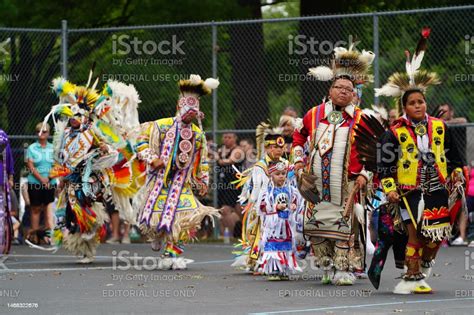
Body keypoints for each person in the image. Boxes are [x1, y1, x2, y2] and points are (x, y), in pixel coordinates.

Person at [375, 27, 465, 294]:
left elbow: (452, 155)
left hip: (436, 187)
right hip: (408, 190)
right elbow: (385, 164)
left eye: (421, 102)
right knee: (415, 232)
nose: (418, 106)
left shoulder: (439, 127)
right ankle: (411, 277)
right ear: (405, 106)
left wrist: (457, 171)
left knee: (434, 233)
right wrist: (389, 189)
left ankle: (421, 266)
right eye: (412, 103)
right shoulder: (395, 131)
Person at [293, 43, 375, 285]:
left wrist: (365, 175)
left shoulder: (362, 118)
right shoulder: (314, 114)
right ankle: (326, 266)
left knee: (344, 226)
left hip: (347, 183)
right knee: (318, 226)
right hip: (316, 181)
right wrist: (298, 163)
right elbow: (298, 138)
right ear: (330, 90)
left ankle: (342, 268)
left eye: (348, 89)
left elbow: (374, 152)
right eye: (338, 87)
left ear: (353, 94)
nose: (342, 91)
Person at [135, 74, 220, 270]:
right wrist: (152, 158)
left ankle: (171, 253)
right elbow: (140, 143)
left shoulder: (198, 134)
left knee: (187, 217)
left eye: (194, 112)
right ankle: (156, 236)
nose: (191, 115)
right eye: (188, 111)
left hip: (183, 183)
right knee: (156, 221)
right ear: (178, 106)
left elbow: (203, 160)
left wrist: (203, 180)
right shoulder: (160, 125)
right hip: (159, 182)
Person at [232, 124, 287, 273]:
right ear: (268, 148)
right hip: (263, 207)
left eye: (280, 147)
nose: (278, 150)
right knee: (260, 234)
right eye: (275, 147)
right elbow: (257, 190)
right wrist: (257, 208)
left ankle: (279, 262)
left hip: (281, 207)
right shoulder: (260, 166)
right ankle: (257, 261)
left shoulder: (285, 164)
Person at [258, 161, 301, 280]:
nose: (281, 176)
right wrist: (275, 207)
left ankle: (284, 269)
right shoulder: (267, 191)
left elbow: (295, 201)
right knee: (273, 246)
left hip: (286, 224)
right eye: (278, 174)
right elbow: (262, 207)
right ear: (271, 175)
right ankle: (273, 270)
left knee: (286, 246)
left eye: (283, 173)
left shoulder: (291, 190)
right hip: (273, 226)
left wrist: (293, 205)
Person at [25, 122, 56, 245]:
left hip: (50, 182)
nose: (41, 134)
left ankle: (48, 237)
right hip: (35, 182)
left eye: (44, 131)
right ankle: (35, 236)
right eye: (39, 131)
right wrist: (41, 179)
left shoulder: (53, 147)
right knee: (35, 208)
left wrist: (48, 178)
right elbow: (30, 165)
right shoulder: (32, 148)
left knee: (48, 209)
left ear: (48, 133)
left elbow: (56, 165)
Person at [217, 133, 243, 237]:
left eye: (229, 137)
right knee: (226, 211)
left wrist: (218, 159)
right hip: (223, 184)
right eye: (225, 137)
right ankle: (226, 235)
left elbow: (230, 161)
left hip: (235, 184)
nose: (227, 139)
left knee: (234, 210)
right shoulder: (221, 150)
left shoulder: (237, 150)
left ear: (235, 138)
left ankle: (238, 233)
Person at [0, 129, 14, 255]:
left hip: (0, 180)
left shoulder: (2, 135)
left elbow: (8, 155)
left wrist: (10, 176)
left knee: (1, 213)